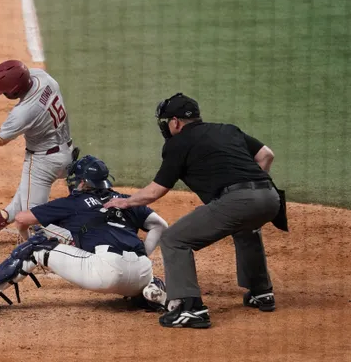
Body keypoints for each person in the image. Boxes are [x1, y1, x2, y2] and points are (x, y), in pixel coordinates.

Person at [104, 93, 286, 329]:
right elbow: (266, 155)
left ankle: (190, 308)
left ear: (176, 122)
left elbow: (155, 191)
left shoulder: (177, 143)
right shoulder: (227, 129)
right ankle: (261, 293)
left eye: (167, 121)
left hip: (238, 200)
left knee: (174, 239)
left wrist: (125, 202)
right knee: (245, 228)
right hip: (270, 197)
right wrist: (254, 188)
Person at [0, 155, 170, 313]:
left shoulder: (73, 201)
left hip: (106, 272)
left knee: (36, 247)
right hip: (142, 272)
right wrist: (144, 255)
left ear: (82, 182)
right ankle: (151, 291)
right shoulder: (124, 199)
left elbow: (23, 219)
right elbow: (160, 225)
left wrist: (26, 241)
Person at [0, 60, 76, 248]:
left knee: (29, 218)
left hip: (43, 164)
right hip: (67, 154)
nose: (2, 93)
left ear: (16, 91)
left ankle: (73, 239)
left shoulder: (24, 112)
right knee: (25, 197)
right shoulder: (41, 77)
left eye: (5, 91)